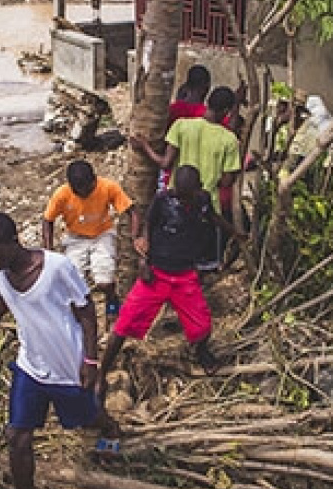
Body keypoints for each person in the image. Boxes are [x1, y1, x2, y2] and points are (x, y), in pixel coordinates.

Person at [0, 212, 118, 489]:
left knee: (86, 418)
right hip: (30, 366)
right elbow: (3, 300)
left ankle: (110, 428)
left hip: (67, 366)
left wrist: (90, 362)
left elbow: (87, 311)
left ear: (14, 241)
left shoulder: (56, 268)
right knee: (17, 436)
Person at [99, 166, 243, 383]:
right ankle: (102, 371)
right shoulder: (163, 201)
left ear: (199, 189)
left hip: (185, 275)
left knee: (202, 325)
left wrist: (234, 232)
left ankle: (201, 353)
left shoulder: (202, 200)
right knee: (125, 323)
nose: (184, 200)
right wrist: (143, 259)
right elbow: (149, 224)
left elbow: (213, 218)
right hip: (156, 274)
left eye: (188, 196)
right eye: (181, 196)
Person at [130, 86, 242, 269]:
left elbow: (165, 163)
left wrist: (145, 146)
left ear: (207, 103)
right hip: (207, 208)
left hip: (175, 200)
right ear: (226, 111)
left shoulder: (182, 126)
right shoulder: (229, 140)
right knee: (197, 262)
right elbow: (227, 181)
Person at [42, 160, 138, 317]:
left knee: (104, 279)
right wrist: (48, 249)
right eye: (78, 191)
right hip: (75, 237)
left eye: (87, 189)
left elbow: (132, 211)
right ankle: (83, 312)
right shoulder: (62, 194)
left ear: (94, 180)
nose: (83, 193)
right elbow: (47, 220)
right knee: (73, 280)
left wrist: (135, 237)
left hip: (103, 234)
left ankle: (112, 300)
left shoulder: (107, 187)